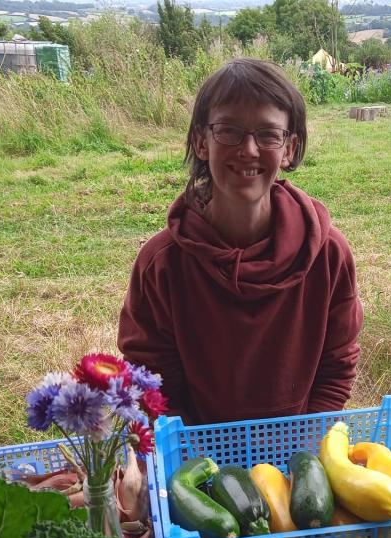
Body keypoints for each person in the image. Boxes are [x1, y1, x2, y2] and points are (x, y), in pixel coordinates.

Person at [117, 58, 363, 425]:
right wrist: (200, 466)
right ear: (201, 141)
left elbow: (336, 367)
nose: (248, 149)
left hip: (296, 455)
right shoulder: (161, 264)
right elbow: (152, 383)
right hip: (193, 462)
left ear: (289, 148)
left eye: (268, 134)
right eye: (229, 131)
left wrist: (301, 448)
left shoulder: (329, 255)